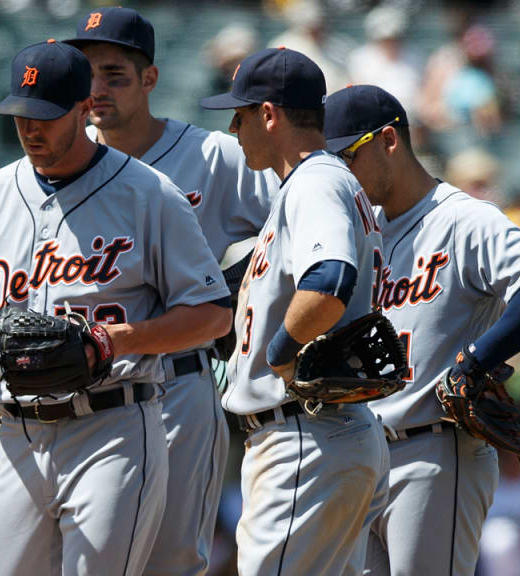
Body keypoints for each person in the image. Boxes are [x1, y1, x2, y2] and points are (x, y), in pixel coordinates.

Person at [0, 39, 233, 576]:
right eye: (20, 116)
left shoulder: (149, 193)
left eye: (46, 117)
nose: (31, 129)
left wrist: (115, 340)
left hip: (114, 424)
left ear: (83, 109)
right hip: (19, 431)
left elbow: (213, 313)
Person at [64, 7, 278, 574]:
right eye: (86, 74)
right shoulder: (63, 159)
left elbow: (304, 222)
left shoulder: (212, 156)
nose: (96, 89)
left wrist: (240, 286)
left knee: (170, 560)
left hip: (177, 380)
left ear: (149, 79)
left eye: (114, 73)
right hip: (80, 388)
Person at [323, 84, 520, 576]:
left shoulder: (464, 218)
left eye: (346, 157)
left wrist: (475, 361)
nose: (341, 175)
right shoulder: (360, 227)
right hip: (364, 452)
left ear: (388, 140)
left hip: (435, 447)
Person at [200, 48, 390, 576]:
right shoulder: (317, 182)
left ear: (269, 114)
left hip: (304, 433)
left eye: (239, 116)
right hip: (325, 433)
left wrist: (281, 352)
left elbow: (329, 282)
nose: (234, 130)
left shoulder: (314, 181)